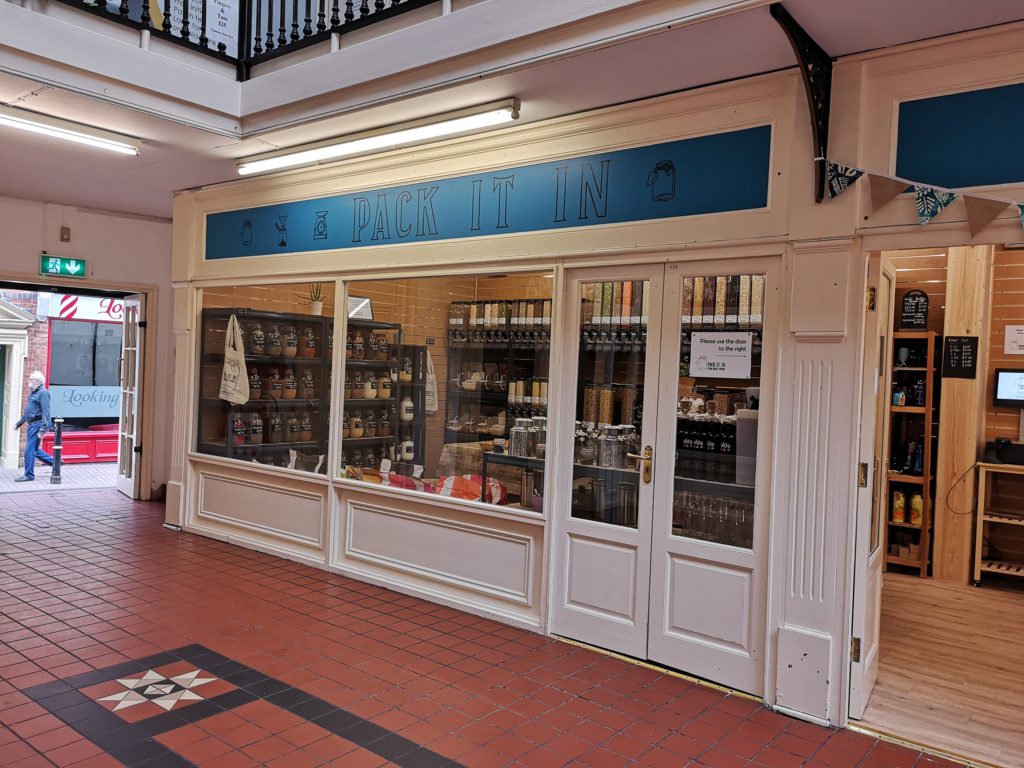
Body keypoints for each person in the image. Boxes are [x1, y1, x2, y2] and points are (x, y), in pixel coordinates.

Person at [13, 370, 53, 482]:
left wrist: (43, 430)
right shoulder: (34, 392)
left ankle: (29, 475)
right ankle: (56, 463)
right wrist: (19, 423)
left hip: (37, 425)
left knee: (29, 451)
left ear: (38, 381)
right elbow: (29, 412)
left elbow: (46, 412)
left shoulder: (43, 393)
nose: (29, 381)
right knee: (34, 449)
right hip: (32, 425)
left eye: (31, 379)